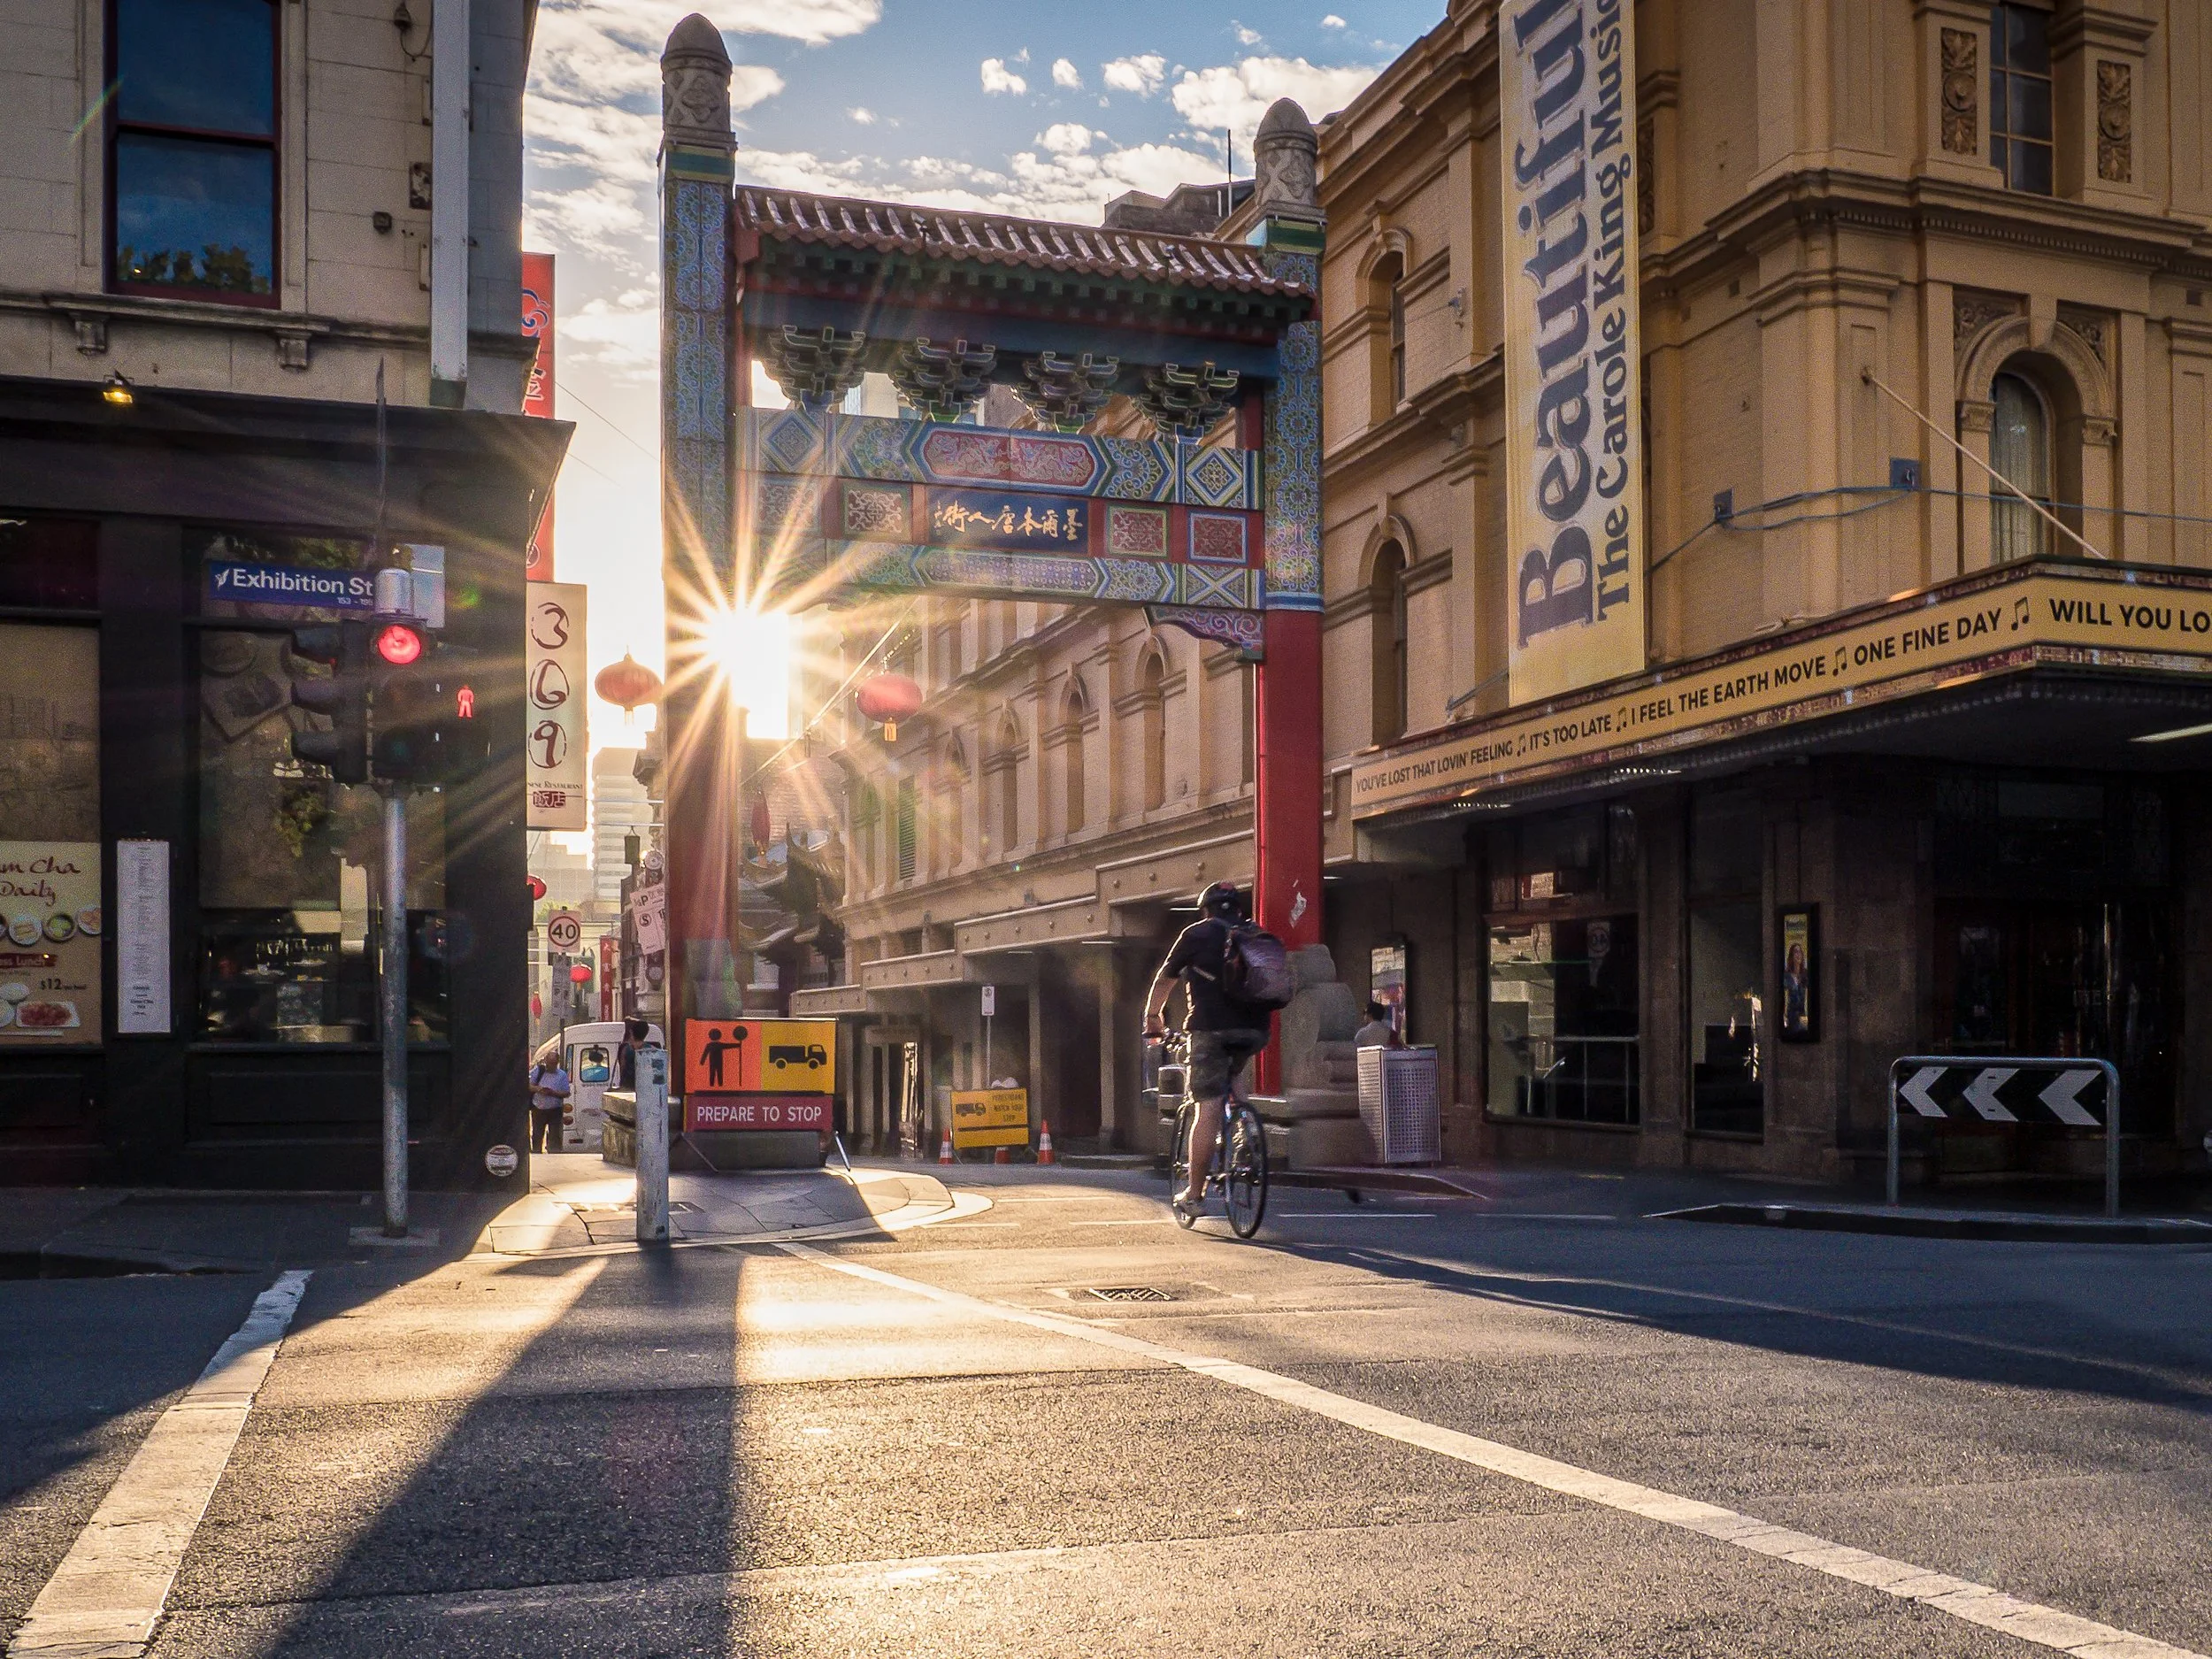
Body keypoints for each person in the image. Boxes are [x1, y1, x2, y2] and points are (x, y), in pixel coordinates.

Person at [1144, 881, 1270, 1217]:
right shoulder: (1255, 932)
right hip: (1255, 1029)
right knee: (1234, 1068)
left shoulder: (1196, 934)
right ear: (1237, 908)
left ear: (1206, 910)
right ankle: (1247, 1131)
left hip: (1210, 1029)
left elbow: (1165, 979)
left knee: (1207, 1108)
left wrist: (1153, 1018)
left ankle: (1195, 1195)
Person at [528, 1054, 570, 1154]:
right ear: (545, 1061)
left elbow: (566, 1092)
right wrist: (539, 1089)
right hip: (539, 1109)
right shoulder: (538, 1071)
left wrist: (553, 1093)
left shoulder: (562, 1075)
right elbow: (529, 1085)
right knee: (537, 1134)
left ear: (557, 1063)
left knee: (555, 1135)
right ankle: (536, 1152)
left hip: (555, 1109)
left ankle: (554, 1154)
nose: (551, 1065)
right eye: (550, 1063)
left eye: (554, 1063)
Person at [617, 1016, 650, 1088]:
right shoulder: (652, 1050)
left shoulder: (626, 1050)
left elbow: (622, 1069)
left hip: (628, 1089)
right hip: (646, 1089)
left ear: (631, 1032)